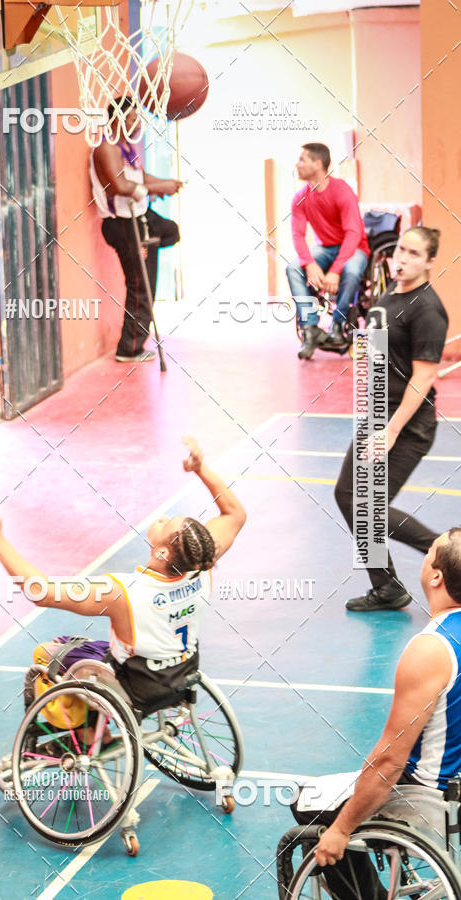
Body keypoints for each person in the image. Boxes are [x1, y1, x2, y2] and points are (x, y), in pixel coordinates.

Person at [0, 437, 246, 706]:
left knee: (47, 654)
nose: (162, 518)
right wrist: (201, 469)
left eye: (167, 523)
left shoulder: (121, 593)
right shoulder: (200, 565)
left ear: (163, 553)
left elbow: (40, 593)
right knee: (92, 653)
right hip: (178, 675)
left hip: (134, 686)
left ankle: (86, 739)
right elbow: (234, 515)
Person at [290, 527, 461, 898]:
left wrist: (341, 830)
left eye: (429, 550)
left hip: (431, 794)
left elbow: (388, 762)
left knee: (308, 803)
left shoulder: (431, 650)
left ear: (436, 576)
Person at [335, 226, 449, 611]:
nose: (403, 258)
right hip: (377, 417)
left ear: (430, 262)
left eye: (415, 254)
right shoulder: (388, 296)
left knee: (370, 509)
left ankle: (450, 555)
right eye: (402, 249)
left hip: (407, 425)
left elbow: (424, 377)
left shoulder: (428, 309)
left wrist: (392, 430)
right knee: (349, 496)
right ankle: (387, 588)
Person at [90, 98, 182, 363]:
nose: (136, 123)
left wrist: (165, 184)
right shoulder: (106, 147)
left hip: (140, 217)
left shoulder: (126, 147)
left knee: (171, 231)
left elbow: (140, 178)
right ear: (117, 119)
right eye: (131, 118)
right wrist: (151, 190)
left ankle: (147, 247)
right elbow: (120, 186)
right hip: (123, 223)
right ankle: (129, 348)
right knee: (141, 285)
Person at [286, 143, 369, 360]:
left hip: (354, 248)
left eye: (303, 159)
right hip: (325, 248)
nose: (298, 164)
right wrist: (310, 263)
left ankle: (339, 323)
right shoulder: (300, 198)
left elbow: (353, 234)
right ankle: (311, 328)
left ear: (318, 163)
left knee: (350, 272)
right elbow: (297, 235)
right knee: (294, 267)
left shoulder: (342, 191)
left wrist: (335, 271)